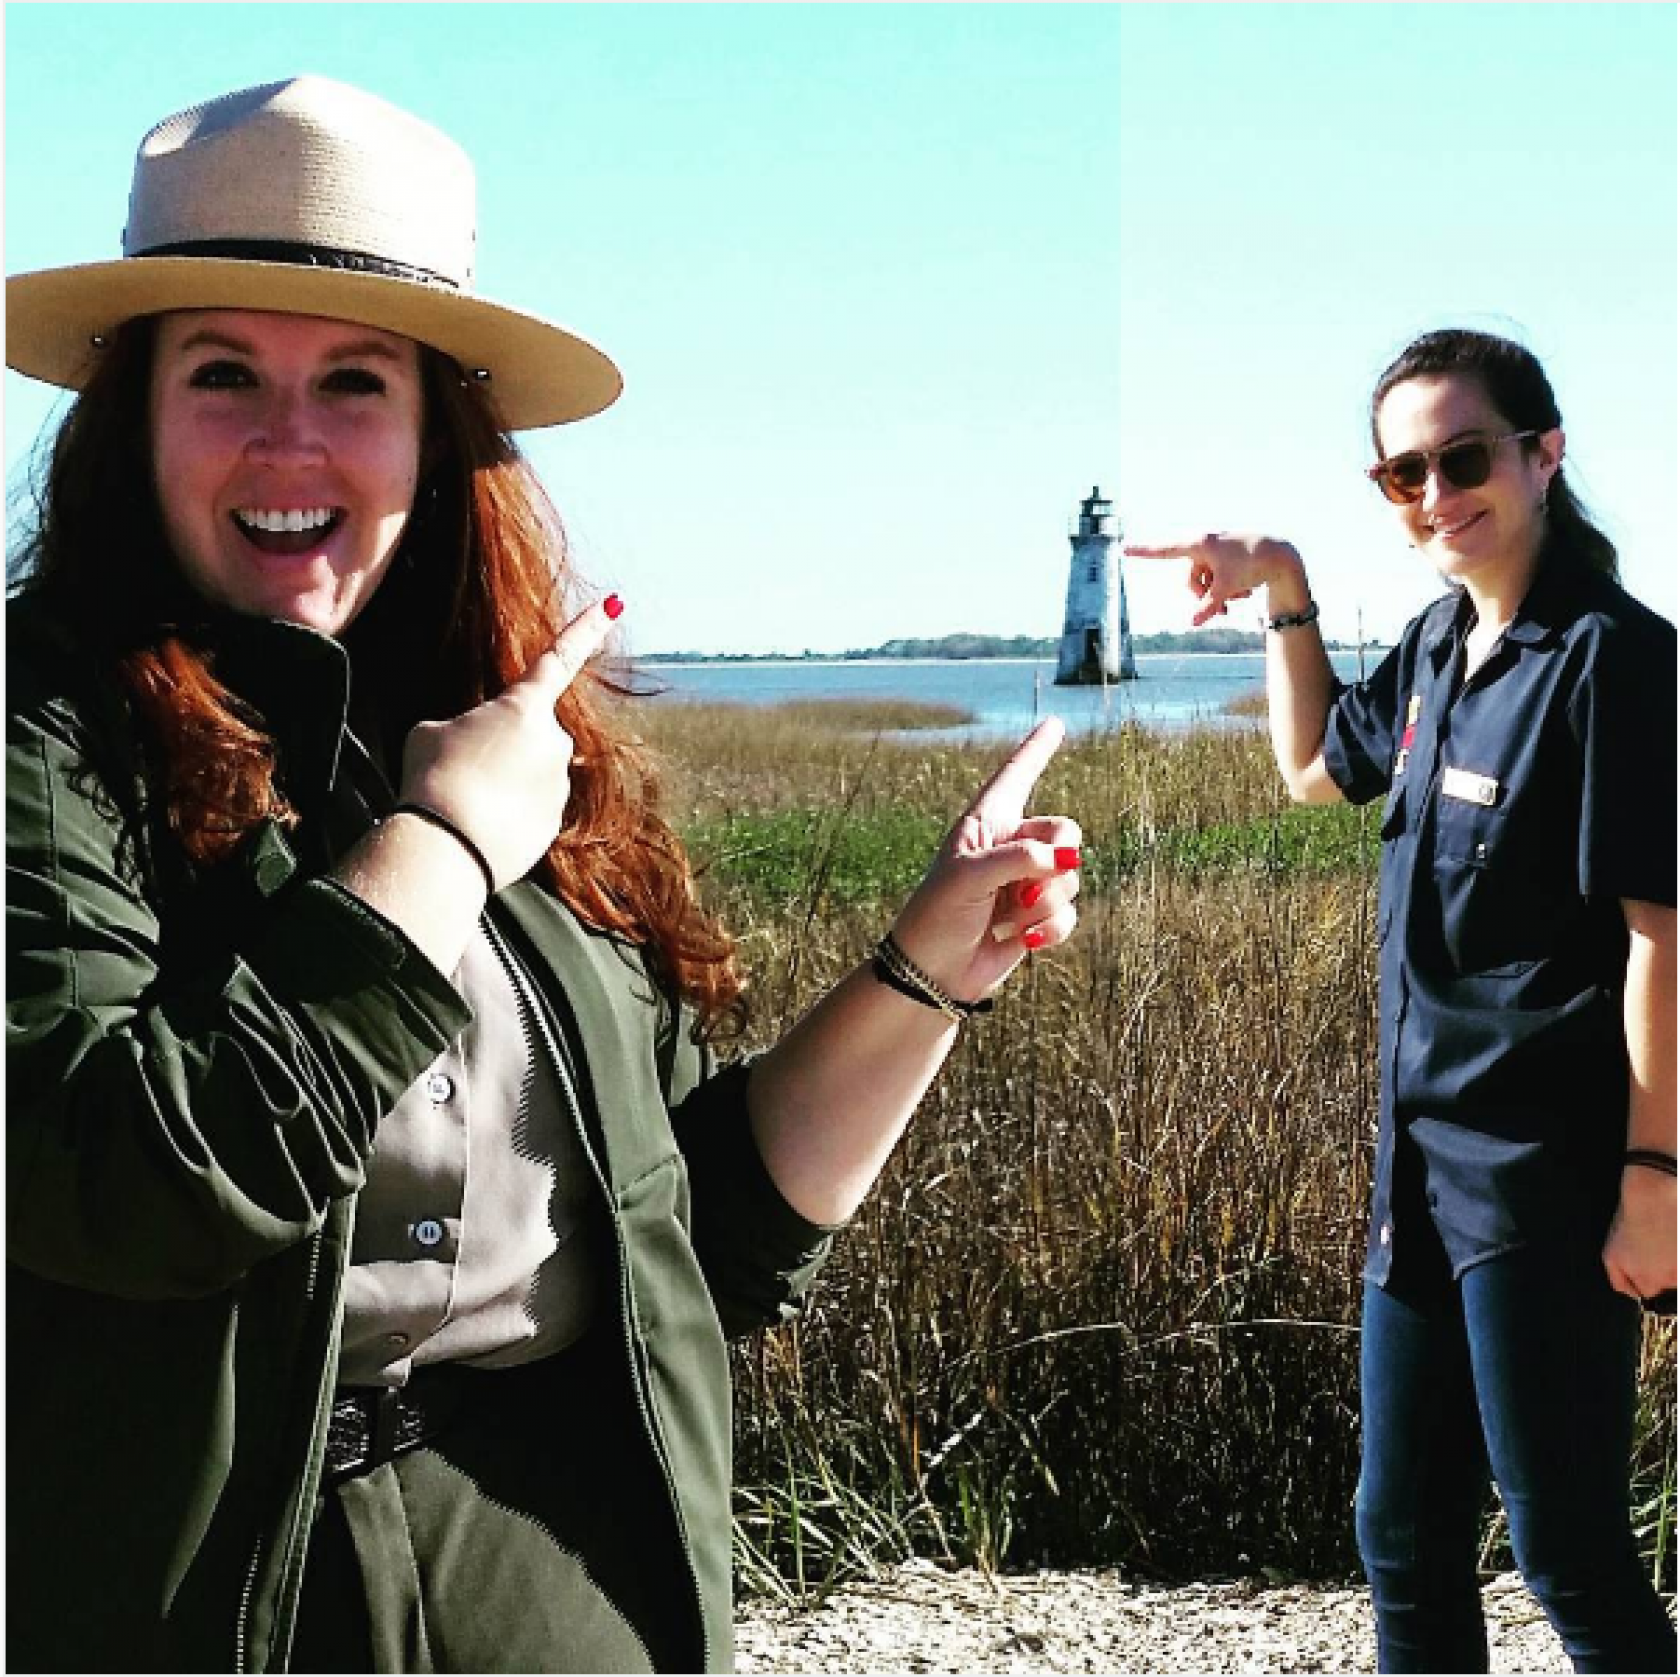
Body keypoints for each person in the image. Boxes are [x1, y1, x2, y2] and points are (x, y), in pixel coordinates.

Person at [5, 77, 1083, 1674]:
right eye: (223, 372)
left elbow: (695, 1240)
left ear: (439, 436)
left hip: (558, 1569)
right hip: (205, 1592)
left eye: (356, 382)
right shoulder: (49, 735)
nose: (290, 439)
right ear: (135, 419)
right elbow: (124, 1183)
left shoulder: (517, 737)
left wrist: (926, 975)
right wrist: (436, 852)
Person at [1127, 327, 1676, 1673]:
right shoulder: (1437, 645)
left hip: (1547, 1178)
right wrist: (1284, 588)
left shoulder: (1615, 662)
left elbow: (1664, 938)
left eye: (1465, 458)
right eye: (1403, 473)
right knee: (1404, 1539)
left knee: (1568, 1555)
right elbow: (1317, 767)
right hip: (1418, 1169)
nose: (1436, 495)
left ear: (1545, 456)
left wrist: (1657, 1176)